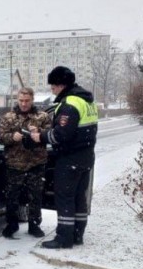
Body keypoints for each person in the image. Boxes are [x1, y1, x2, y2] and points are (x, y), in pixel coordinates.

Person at [30, 66, 98, 249]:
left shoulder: (70, 103)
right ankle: (77, 234)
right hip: (86, 157)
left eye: (53, 86)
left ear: (61, 85)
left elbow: (62, 135)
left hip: (70, 159)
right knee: (78, 198)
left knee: (65, 198)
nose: (52, 90)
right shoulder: (87, 101)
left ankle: (63, 238)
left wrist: (41, 136)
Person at [0, 87, 51, 239]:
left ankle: (34, 225)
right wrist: (11, 137)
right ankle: (11, 224)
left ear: (32, 99)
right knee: (12, 197)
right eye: (21, 100)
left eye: (27, 101)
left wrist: (38, 132)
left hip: (36, 164)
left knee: (35, 196)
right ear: (17, 100)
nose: (24, 104)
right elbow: (0, 137)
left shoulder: (42, 116)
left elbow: (50, 135)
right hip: (15, 164)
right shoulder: (9, 117)